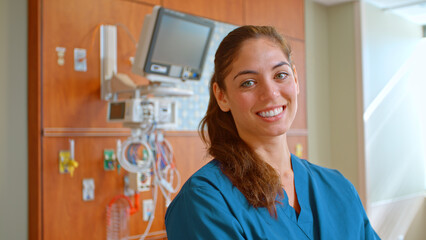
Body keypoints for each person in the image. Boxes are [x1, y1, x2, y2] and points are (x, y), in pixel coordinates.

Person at [165, 25, 380, 240]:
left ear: (295, 79)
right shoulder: (206, 200)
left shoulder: (338, 187)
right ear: (222, 96)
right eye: (248, 83)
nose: (270, 93)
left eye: (280, 75)